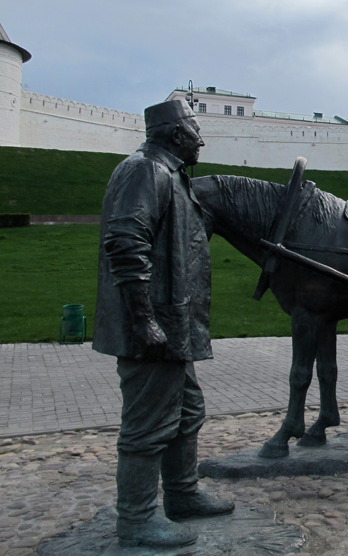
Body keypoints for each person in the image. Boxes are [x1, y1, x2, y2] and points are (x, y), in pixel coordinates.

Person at [94, 99, 234, 548]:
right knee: (148, 425)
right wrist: (144, 320)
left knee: (188, 410)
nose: (201, 140)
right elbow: (126, 242)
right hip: (151, 330)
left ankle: (182, 494)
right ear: (176, 135)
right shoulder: (145, 171)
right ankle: (135, 520)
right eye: (196, 132)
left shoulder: (171, 176)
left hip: (174, 329)